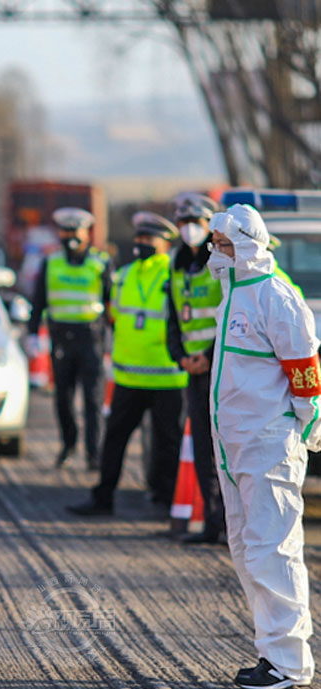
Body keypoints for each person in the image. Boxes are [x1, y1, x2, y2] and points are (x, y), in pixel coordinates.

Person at [207, 204, 320, 689]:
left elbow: (305, 373)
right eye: (215, 243)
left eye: (225, 245)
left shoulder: (277, 298)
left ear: (250, 245)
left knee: (273, 551)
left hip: (269, 444)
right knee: (248, 549)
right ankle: (272, 654)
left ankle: (289, 664)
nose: (216, 252)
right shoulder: (233, 293)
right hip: (236, 447)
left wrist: (307, 428)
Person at [67, 212, 187, 516]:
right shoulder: (125, 274)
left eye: (149, 239)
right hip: (129, 375)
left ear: (165, 243)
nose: (141, 244)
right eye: (139, 238)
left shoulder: (175, 274)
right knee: (114, 441)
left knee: (168, 444)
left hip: (167, 376)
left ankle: (167, 499)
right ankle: (102, 498)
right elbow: (115, 316)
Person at [27, 207, 111, 469]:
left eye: (76, 230)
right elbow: (39, 300)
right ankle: (68, 443)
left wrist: (115, 340)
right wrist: (32, 332)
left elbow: (112, 305)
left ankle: (93, 454)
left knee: (92, 400)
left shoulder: (101, 263)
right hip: (61, 339)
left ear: (87, 233)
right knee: (63, 398)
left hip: (91, 339)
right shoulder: (50, 262)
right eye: (66, 230)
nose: (71, 235)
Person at [165, 192, 226, 544]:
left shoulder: (218, 262)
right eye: (184, 223)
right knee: (203, 450)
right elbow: (173, 318)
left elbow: (228, 313)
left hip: (220, 368)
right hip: (193, 371)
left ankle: (232, 527)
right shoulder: (175, 266)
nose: (189, 229)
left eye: (197, 223)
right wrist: (181, 357)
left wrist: (207, 354)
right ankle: (212, 524)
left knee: (226, 449)